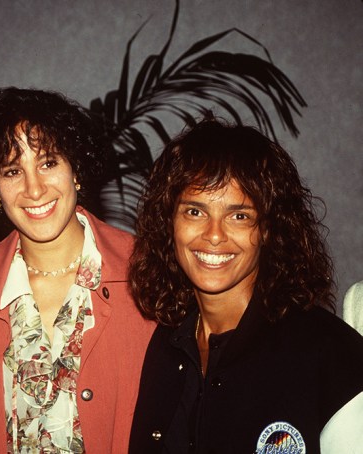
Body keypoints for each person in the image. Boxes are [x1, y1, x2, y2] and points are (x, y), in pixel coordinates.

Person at [127, 117, 363, 453]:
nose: (213, 235)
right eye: (195, 212)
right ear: (170, 222)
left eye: (239, 216)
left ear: (268, 229)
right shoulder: (166, 346)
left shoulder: (332, 355)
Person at [0, 87, 155, 453]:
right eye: (13, 170)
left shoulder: (146, 273)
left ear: (75, 168)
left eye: (48, 163)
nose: (34, 188)